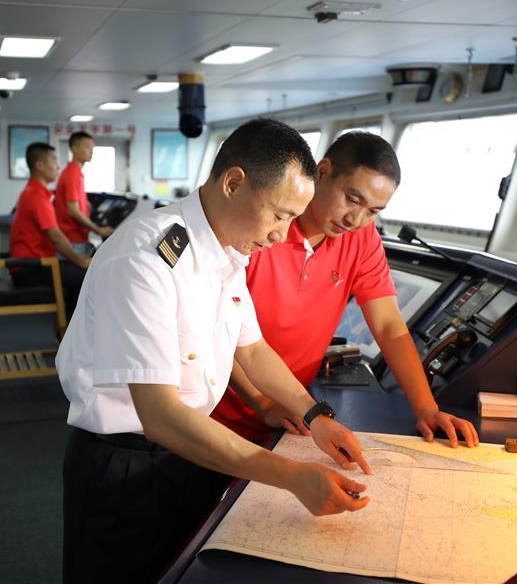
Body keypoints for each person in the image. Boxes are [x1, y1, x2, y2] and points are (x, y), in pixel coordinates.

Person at [57, 118, 373, 584]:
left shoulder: (229, 254)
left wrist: (315, 416)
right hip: (125, 466)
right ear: (234, 183)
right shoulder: (146, 258)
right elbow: (161, 415)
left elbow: (253, 350)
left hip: (186, 455)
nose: (283, 235)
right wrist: (290, 475)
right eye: (279, 214)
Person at [211, 132, 479, 448]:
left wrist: (426, 409)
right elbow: (215, 332)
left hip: (292, 414)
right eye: (352, 199)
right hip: (216, 412)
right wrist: (263, 403)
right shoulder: (262, 228)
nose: (356, 219)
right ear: (322, 172)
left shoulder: (362, 238)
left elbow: (388, 325)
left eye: (373, 211)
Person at [9, 142, 91, 319]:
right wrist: (80, 261)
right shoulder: (36, 196)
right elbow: (56, 238)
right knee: (88, 275)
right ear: (39, 165)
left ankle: (68, 327)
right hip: (30, 269)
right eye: (53, 160)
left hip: (34, 265)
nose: (58, 166)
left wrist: (78, 261)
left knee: (79, 273)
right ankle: (71, 330)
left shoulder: (34, 192)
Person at [54, 131, 114, 254]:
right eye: (87, 147)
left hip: (76, 237)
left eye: (92, 148)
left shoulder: (74, 173)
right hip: (72, 239)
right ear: (74, 149)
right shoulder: (72, 174)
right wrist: (98, 230)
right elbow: (74, 212)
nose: (91, 151)